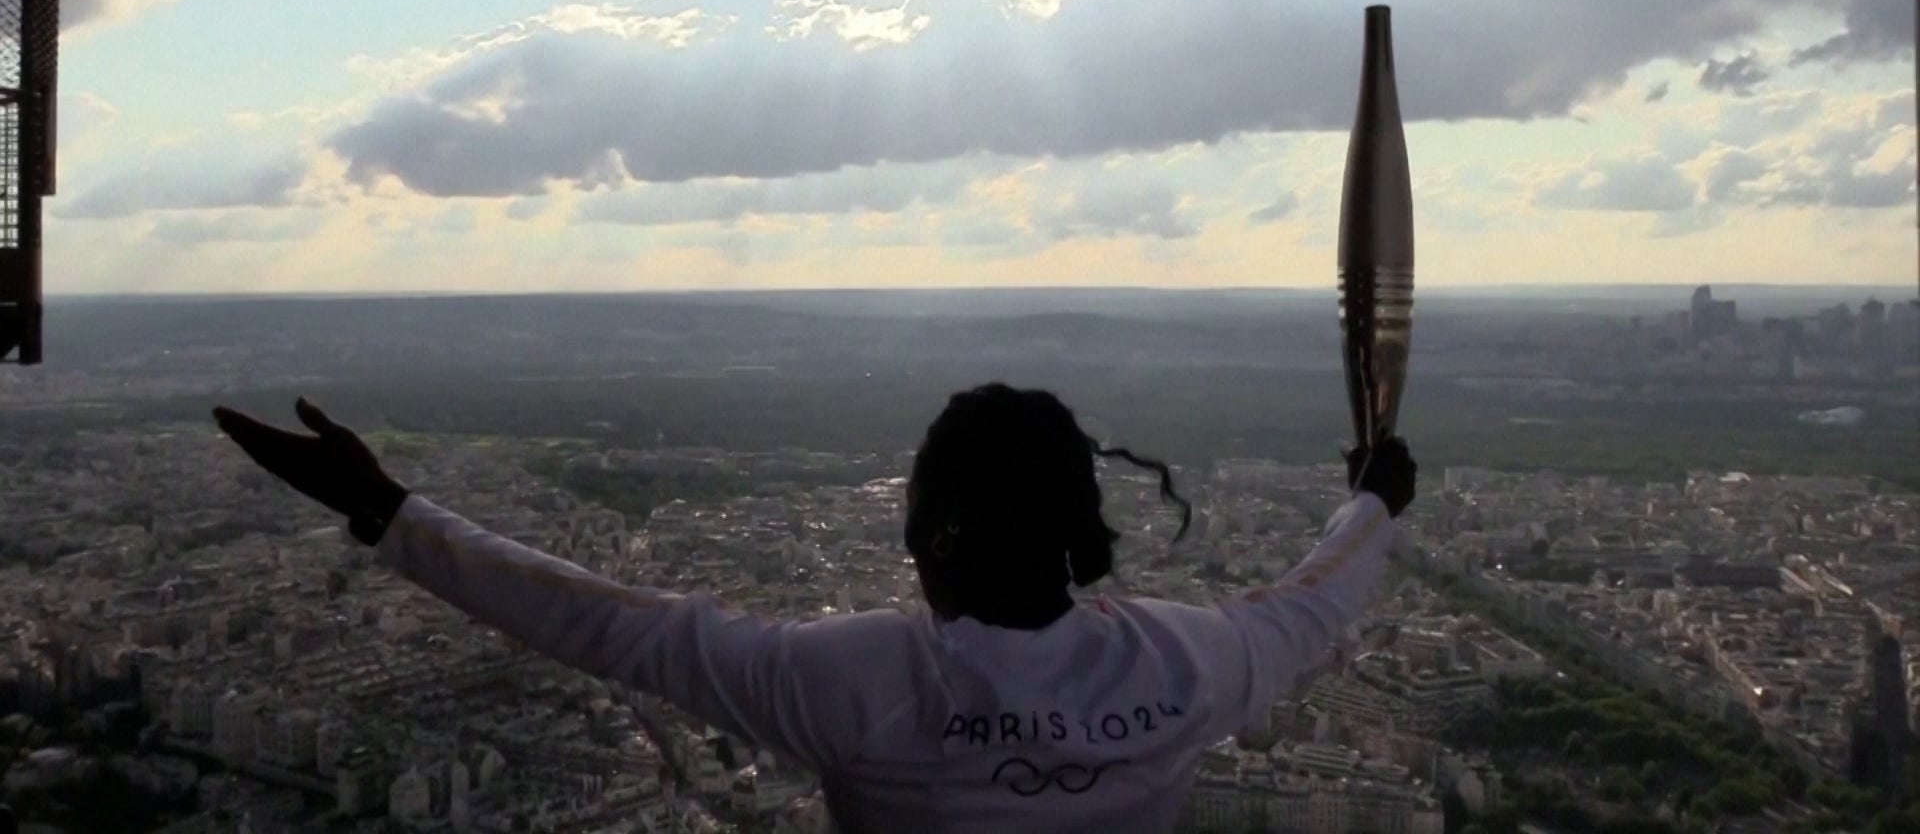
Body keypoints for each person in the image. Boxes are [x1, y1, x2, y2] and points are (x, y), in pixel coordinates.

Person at [214, 384, 1416, 833]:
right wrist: (1372, 504)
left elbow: (609, 623)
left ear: (932, 536)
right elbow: (1314, 605)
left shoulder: (860, 685)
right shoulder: (1188, 664)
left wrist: (387, 510)